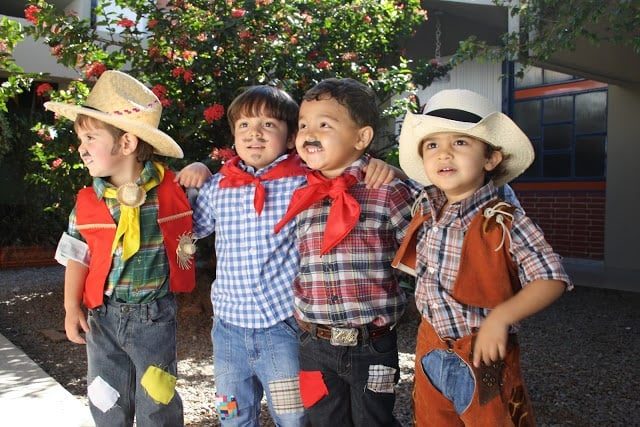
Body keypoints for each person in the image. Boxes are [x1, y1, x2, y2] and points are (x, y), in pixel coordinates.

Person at [177, 85, 397, 426]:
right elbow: (189, 230)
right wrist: (192, 178)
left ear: (291, 136)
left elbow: (344, 170)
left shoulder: (305, 181)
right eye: (244, 127)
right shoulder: (217, 187)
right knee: (232, 414)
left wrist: (378, 167)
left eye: (269, 125)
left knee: (293, 416)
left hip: (282, 327)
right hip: (228, 329)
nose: (255, 135)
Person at [396, 89, 572, 426]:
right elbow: (391, 182)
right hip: (430, 344)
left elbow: (551, 277)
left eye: (460, 143)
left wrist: (501, 317)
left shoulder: (504, 219)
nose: (443, 153)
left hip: (482, 354)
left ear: (491, 159)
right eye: (432, 145)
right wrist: (374, 164)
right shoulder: (426, 207)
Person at [47, 70, 196, 427]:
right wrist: (71, 307)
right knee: (104, 395)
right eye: (80, 137)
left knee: (157, 397)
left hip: (154, 317)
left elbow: (216, 195)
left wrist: (201, 168)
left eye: (90, 137)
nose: (81, 147)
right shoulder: (86, 202)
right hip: (104, 315)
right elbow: (76, 256)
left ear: (127, 144)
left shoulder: (172, 189)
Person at [273, 78, 414, 426]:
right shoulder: (300, 194)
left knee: (374, 420)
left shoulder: (386, 190)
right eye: (303, 124)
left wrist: (398, 174)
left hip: (373, 342)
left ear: (361, 138)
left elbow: (423, 245)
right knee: (324, 420)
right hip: (315, 342)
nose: (308, 132)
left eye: (325, 124)